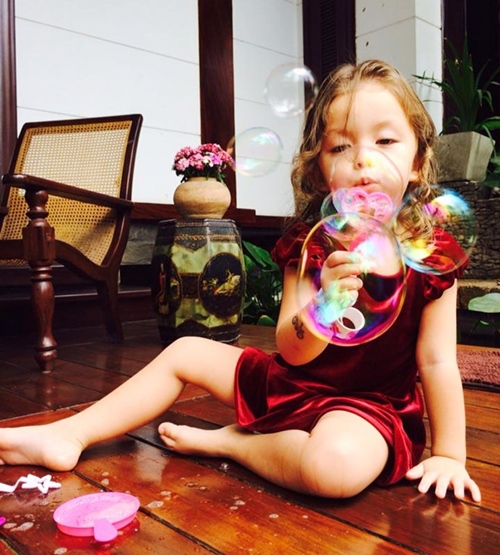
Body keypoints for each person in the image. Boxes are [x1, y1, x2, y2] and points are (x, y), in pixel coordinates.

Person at [0, 60, 481, 502]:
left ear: (417, 162)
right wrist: (322, 309)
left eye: (386, 141)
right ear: (320, 170)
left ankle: (235, 444)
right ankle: (69, 434)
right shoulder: (310, 245)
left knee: (335, 467)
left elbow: (437, 361)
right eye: (340, 146)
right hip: (293, 383)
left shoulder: (431, 256)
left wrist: (449, 455)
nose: (362, 158)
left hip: (367, 409)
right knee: (185, 351)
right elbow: (291, 348)